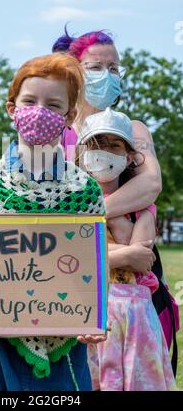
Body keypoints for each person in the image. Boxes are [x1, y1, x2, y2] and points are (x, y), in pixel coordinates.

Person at [0, 53, 106, 391]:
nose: (40, 111)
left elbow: (92, 272)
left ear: (69, 117)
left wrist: (94, 314)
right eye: (30, 101)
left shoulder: (85, 191)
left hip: (65, 351)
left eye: (53, 105)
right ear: (12, 108)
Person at [77, 108, 176, 391]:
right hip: (87, 313)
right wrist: (123, 254)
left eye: (113, 145)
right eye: (95, 144)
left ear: (130, 156)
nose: (103, 151)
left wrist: (102, 247)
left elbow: (141, 260)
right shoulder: (70, 202)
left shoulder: (144, 208)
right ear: (81, 154)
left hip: (135, 317)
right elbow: (66, 257)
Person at [52, 29, 162, 248]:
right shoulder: (57, 133)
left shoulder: (134, 130)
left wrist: (91, 213)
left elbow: (150, 183)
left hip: (134, 251)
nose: (107, 75)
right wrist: (112, 216)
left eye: (113, 68)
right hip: (75, 252)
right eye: (95, 67)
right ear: (73, 73)